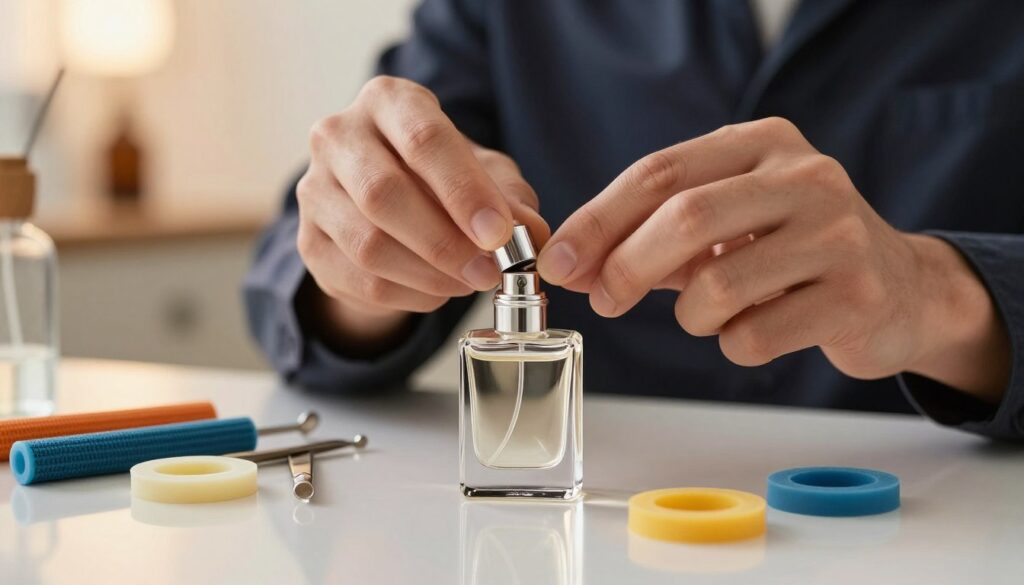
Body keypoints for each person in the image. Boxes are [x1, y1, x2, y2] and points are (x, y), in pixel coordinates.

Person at [244, 0, 1024, 441]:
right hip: (603, 537)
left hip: (933, 519)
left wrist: (939, 293)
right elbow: (298, 265)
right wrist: (368, 255)